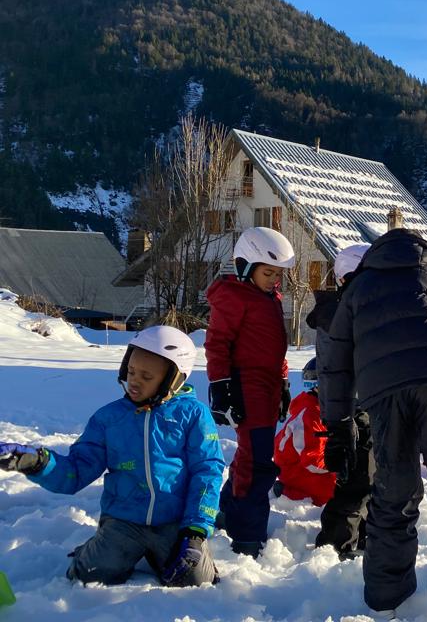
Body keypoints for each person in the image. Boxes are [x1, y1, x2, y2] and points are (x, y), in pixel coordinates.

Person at [322, 227, 427, 618]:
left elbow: (335, 363)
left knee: (393, 489)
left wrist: (338, 423)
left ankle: (386, 596)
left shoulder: (358, 288)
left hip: (382, 392)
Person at [0, 326, 223, 586]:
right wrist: (37, 462)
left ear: (174, 379)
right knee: (91, 574)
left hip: (175, 522)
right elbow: (76, 471)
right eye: (131, 371)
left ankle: (180, 550)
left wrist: (195, 532)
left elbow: (207, 472)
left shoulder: (193, 415)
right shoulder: (109, 419)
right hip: (124, 521)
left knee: (196, 579)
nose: (134, 381)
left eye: (146, 376)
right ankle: (95, 549)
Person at [205, 226, 295, 557]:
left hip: (268, 386)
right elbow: (217, 344)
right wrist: (220, 386)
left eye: (278, 274)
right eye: (268, 272)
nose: (275, 279)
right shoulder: (234, 297)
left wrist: (283, 382)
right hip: (246, 385)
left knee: (250, 454)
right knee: (258, 461)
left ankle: (229, 509)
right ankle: (246, 531)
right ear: (245, 266)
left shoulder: (269, 298)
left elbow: (275, 349)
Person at [307, 243, 374, 559]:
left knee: (374, 481)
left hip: (371, 407)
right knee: (355, 483)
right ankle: (335, 548)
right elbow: (335, 371)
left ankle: (362, 539)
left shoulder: (359, 309)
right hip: (351, 410)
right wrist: (341, 422)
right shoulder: (336, 314)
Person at [273, 358, 335, 506]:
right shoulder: (310, 415)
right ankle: (290, 493)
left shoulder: (321, 409)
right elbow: (312, 460)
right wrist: (338, 466)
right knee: (346, 490)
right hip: (297, 473)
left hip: (303, 468)